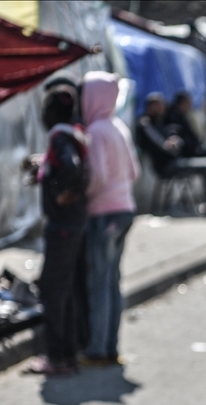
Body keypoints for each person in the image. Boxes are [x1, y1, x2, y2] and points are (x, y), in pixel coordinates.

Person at [25, 88, 88, 376]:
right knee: (65, 292)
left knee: (52, 291)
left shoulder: (60, 137)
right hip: (72, 224)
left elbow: (73, 170)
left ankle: (56, 357)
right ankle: (68, 355)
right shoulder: (74, 134)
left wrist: (67, 191)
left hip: (62, 225)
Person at [81, 72, 139, 366]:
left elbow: (98, 177)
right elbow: (133, 171)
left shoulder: (96, 131)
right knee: (112, 280)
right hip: (125, 209)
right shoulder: (118, 127)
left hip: (104, 214)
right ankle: (111, 347)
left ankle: (96, 350)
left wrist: (83, 195)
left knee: (99, 283)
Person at [135, 93, 206, 217]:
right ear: (151, 106)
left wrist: (176, 140)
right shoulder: (145, 123)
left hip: (175, 161)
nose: (162, 108)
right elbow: (161, 145)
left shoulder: (159, 121)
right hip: (165, 165)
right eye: (159, 105)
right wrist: (171, 144)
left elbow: (170, 138)